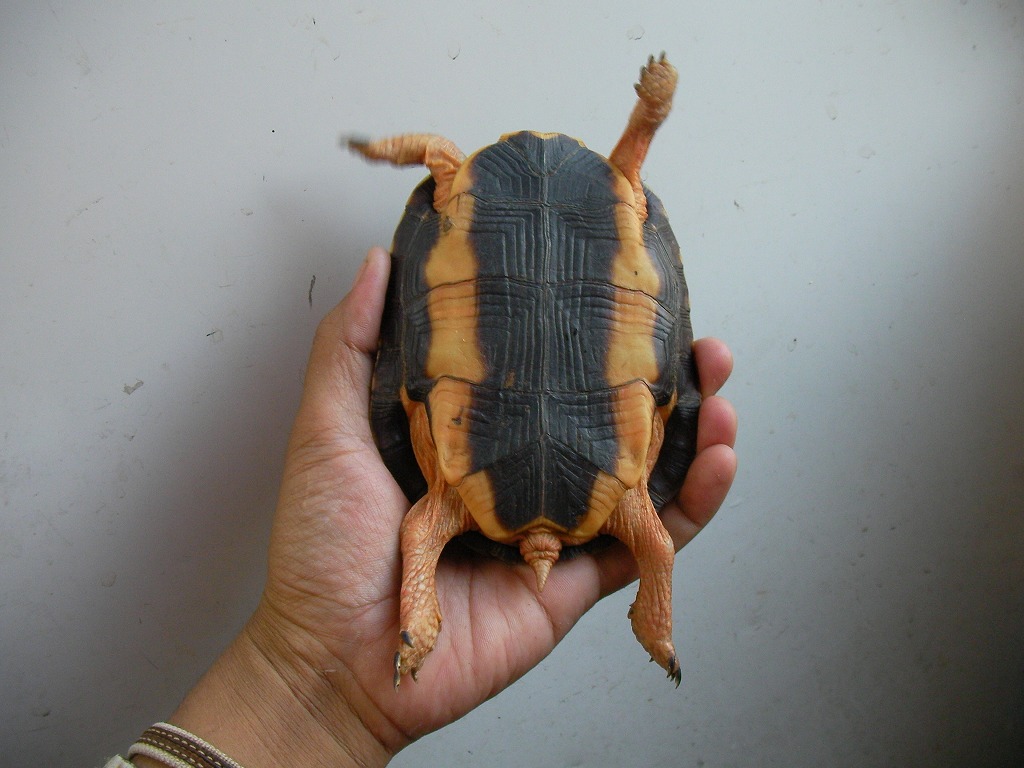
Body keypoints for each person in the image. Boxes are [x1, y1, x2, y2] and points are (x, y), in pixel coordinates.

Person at [119, 247, 738, 768]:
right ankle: (650, 623)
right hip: (607, 481)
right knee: (653, 540)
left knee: (438, 529)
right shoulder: (625, 506)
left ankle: (438, 611)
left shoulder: (454, 188)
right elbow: (654, 543)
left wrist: (314, 685)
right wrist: (324, 687)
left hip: (482, 482)